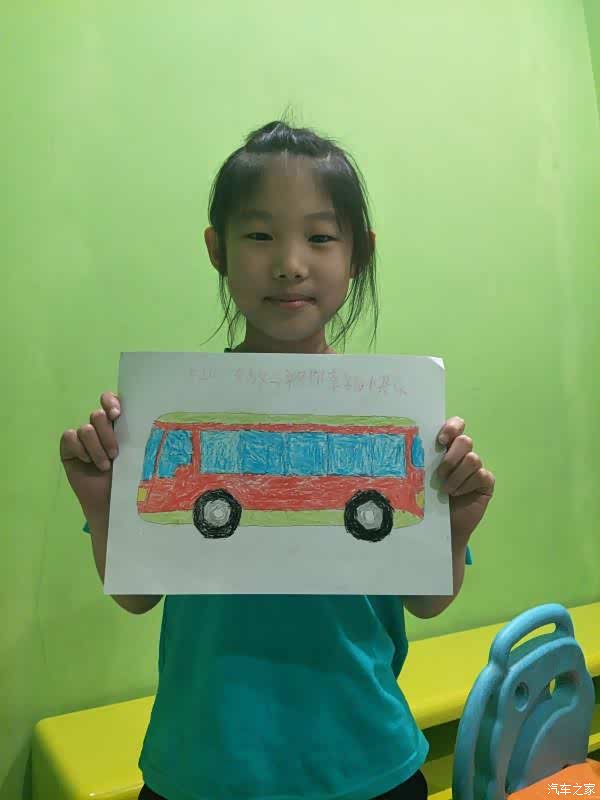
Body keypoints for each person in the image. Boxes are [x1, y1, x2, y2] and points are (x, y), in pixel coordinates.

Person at [60, 119, 495, 800]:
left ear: (358, 254)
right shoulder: (168, 413)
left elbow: (427, 601)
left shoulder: (400, 413)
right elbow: (136, 596)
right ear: (217, 250)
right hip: (202, 767)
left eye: (320, 238)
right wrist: (100, 499)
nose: (290, 263)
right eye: (260, 236)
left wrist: (456, 524)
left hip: (366, 762)